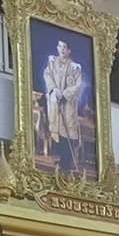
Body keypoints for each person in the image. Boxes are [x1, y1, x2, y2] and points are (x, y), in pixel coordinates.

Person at [43, 39, 83, 173]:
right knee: (57, 128)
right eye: (60, 46)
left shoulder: (75, 67)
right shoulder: (52, 62)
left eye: (64, 47)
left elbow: (78, 86)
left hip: (68, 104)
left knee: (68, 130)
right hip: (55, 101)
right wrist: (54, 89)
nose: (61, 49)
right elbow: (47, 75)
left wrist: (65, 94)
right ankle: (60, 159)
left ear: (69, 50)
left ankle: (67, 162)